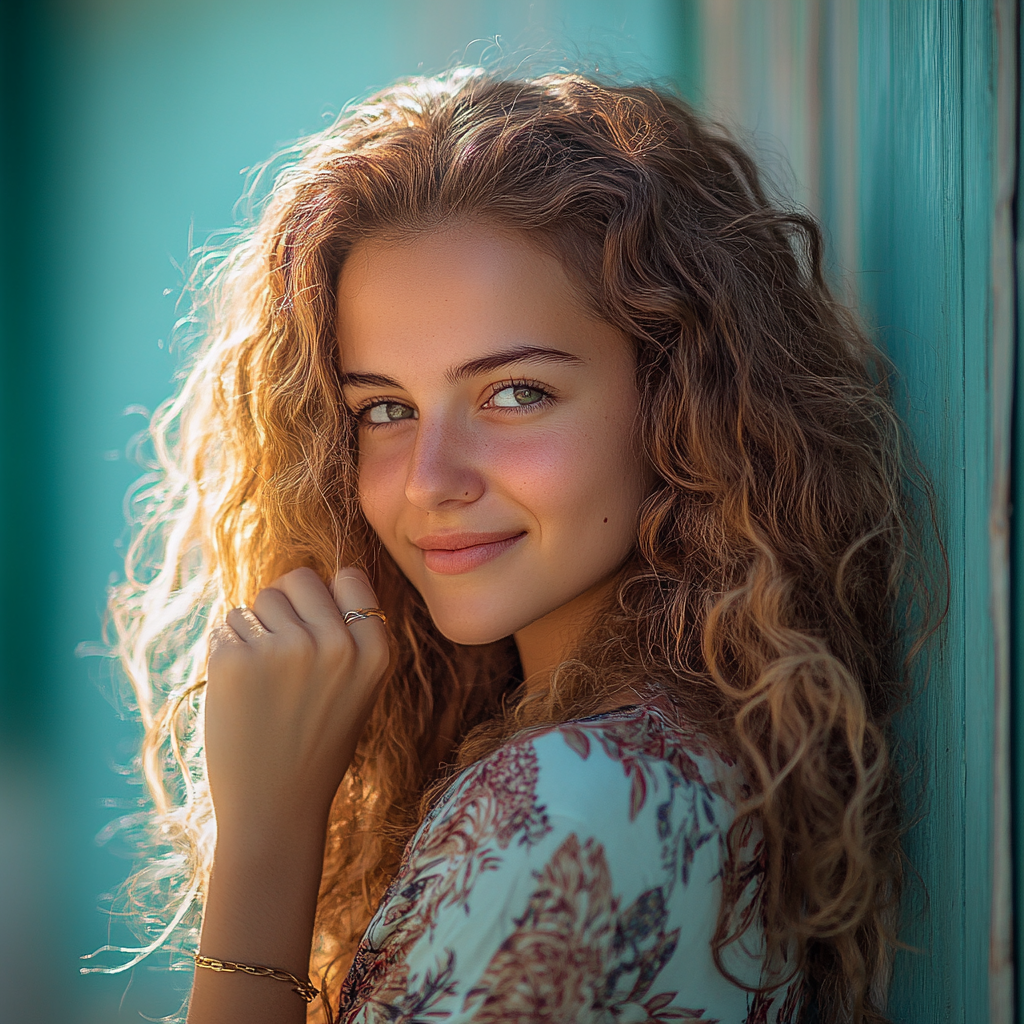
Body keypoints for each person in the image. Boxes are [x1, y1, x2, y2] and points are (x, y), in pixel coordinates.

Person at [101, 68, 936, 1024]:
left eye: (515, 393)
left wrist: (266, 841)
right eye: (385, 409)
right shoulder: (673, 756)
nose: (430, 479)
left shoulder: (569, 805)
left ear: (675, 397)